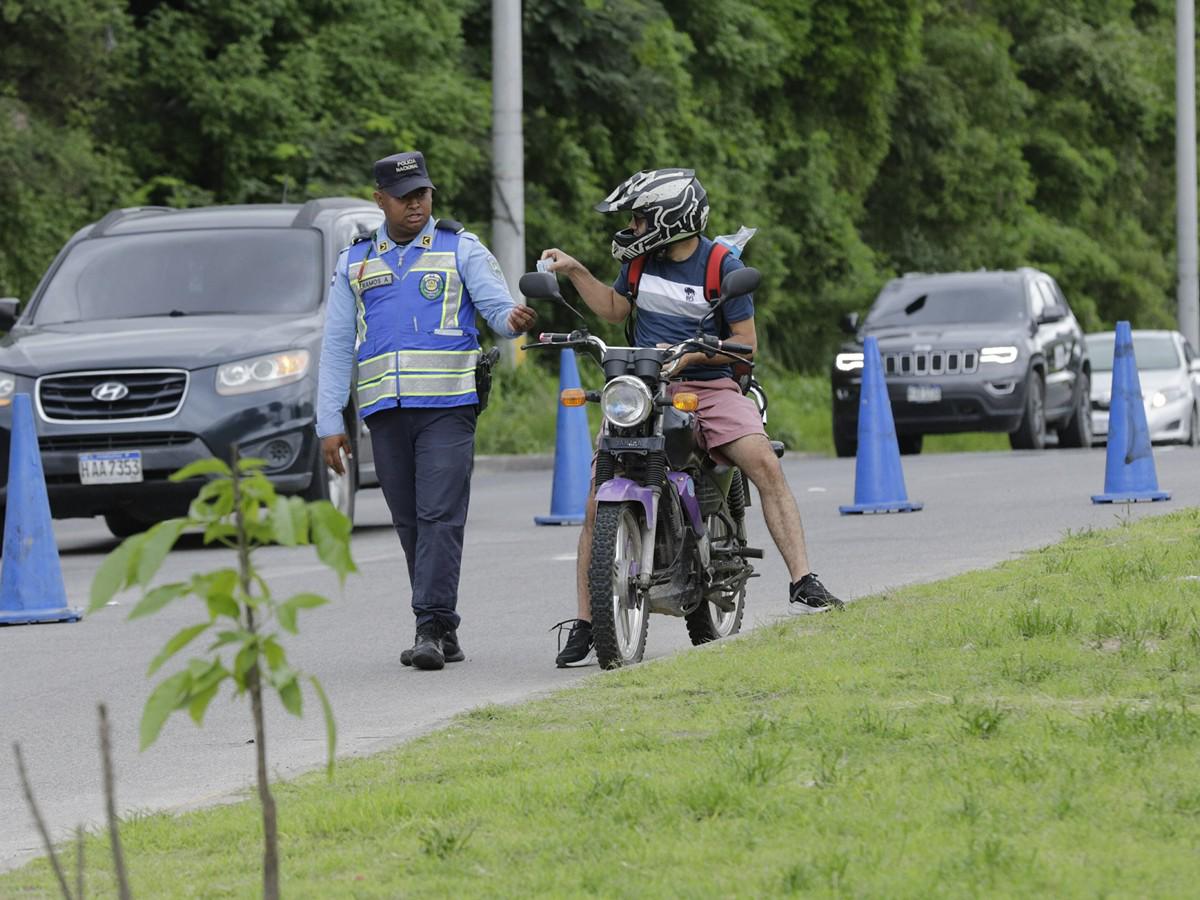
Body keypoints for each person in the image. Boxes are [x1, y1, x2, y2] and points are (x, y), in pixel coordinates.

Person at [540, 168, 841, 667]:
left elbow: (745, 344)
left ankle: (803, 580)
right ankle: (589, 621)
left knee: (764, 463)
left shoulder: (722, 266)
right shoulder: (638, 263)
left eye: (639, 218)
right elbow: (614, 310)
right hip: (646, 387)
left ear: (670, 218)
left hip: (711, 386)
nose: (631, 228)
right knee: (596, 500)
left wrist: (692, 355)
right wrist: (574, 270)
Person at [317, 150, 536, 671]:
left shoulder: (461, 248)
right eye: (404, 197)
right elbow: (337, 346)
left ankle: (430, 627)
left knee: (439, 515)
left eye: (423, 194)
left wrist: (514, 321)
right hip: (385, 412)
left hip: (447, 405)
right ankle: (443, 627)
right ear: (380, 200)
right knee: (410, 521)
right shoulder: (355, 261)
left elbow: (497, 311)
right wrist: (329, 423)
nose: (416, 204)